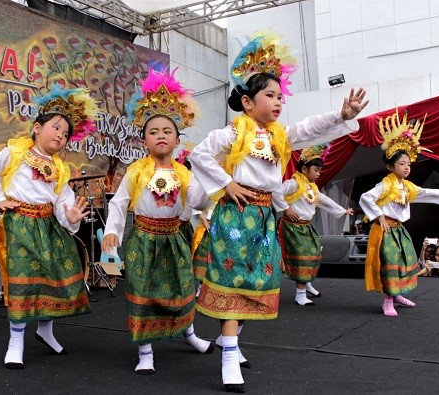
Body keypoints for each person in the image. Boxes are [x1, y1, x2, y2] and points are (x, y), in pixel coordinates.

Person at [188, 31, 369, 393]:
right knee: (234, 283)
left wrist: (341, 114)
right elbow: (198, 154)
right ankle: (228, 358)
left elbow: (308, 128)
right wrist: (226, 184)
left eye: (279, 96)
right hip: (236, 216)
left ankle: (231, 342)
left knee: (260, 282)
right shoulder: (232, 132)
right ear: (247, 101)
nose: (277, 102)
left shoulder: (280, 136)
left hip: (264, 218)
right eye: (269, 95)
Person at [101, 69, 213, 376]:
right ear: (144, 140)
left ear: (178, 138)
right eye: (153, 131)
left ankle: (189, 335)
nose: (161, 135)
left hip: (175, 239)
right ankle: (145, 351)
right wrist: (112, 232)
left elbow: (203, 201)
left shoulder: (185, 173)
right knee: (144, 291)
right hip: (144, 239)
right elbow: (120, 203)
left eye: (167, 130)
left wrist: (205, 203)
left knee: (183, 288)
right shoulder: (136, 172)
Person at [0, 84, 96, 369]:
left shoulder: (60, 168)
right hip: (19, 224)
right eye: (56, 127)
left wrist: (71, 217)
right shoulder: (16, 153)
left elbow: (62, 203)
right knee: (21, 283)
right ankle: (16, 341)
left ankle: (45, 330)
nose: (60, 135)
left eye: (65, 133)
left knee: (52, 278)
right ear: (36, 127)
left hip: (48, 228)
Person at [359, 110, 439, 316]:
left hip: (399, 230)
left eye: (409, 164)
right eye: (402, 164)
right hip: (386, 230)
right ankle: (388, 300)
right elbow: (366, 197)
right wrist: (379, 215)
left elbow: (429, 193)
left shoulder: (407, 187)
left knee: (404, 262)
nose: (407, 167)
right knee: (390, 264)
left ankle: (397, 294)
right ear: (390, 166)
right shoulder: (385, 185)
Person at [278, 144, 354, 306]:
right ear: (304, 169)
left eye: (320, 170)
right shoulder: (294, 184)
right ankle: (300, 294)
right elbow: (276, 193)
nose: (319, 173)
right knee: (302, 258)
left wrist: (342, 210)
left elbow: (323, 200)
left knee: (314, 254)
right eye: (316, 170)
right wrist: (287, 208)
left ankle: (307, 285)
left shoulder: (311, 187)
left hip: (307, 226)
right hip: (293, 227)